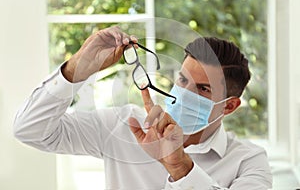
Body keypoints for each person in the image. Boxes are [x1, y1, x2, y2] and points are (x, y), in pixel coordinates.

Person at [14, 26, 272, 189]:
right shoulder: (125, 125)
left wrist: (180, 167)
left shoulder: (248, 161)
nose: (184, 93)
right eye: (182, 80)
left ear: (229, 106)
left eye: (203, 89)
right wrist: (77, 68)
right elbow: (29, 130)